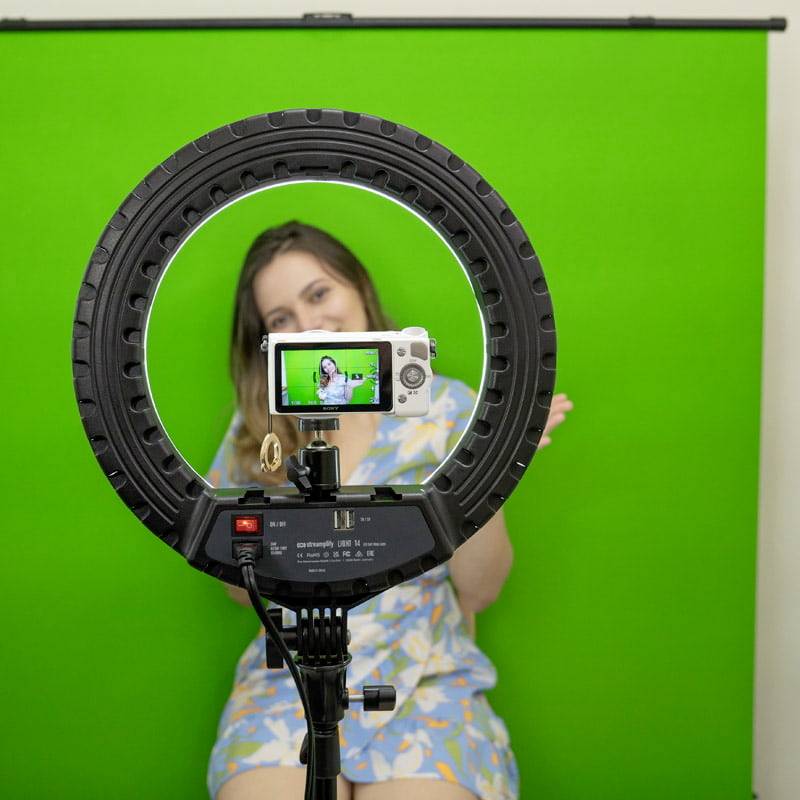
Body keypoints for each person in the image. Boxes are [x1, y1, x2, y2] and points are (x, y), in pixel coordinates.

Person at [205, 221, 572, 800]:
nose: (308, 324)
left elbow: (481, 591)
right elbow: (235, 589)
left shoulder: (449, 411)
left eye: (319, 293)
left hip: (427, 677)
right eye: (281, 317)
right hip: (291, 674)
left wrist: (488, 473)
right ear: (266, 339)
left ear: (359, 288)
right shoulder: (259, 430)